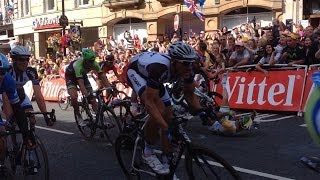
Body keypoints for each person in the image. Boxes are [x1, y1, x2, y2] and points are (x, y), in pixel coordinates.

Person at [126, 41, 238, 175]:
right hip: (136, 71)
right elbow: (149, 103)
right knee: (159, 113)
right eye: (185, 63)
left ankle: (166, 161)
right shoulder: (159, 67)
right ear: (174, 62)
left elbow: (190, 95)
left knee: (169, 113)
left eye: (190, 62)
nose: (189, 66)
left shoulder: (187, 70)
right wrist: (164, 126)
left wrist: (206, 113)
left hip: (154, 77)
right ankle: (148, 152)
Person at [0, 54, 35, 170]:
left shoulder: (8, 80)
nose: (0, 76)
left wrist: (26, 136)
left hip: (11, 94)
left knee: (2, 136)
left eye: (2, 72)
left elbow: (17, 108)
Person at [5, 46, 54, 127]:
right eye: (21, 59)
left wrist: (46, 116)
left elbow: (38, 95)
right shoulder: (7, 71)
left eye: (27, 59)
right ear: (14, 60)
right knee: (11, 123)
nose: (25, 62)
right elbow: (4, 94)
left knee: (32, 118)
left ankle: (31, 137)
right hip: (5, 96)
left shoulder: (30, 71)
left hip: (20, 94)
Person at [65, 48, 111, 126]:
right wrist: (87, 95)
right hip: (71, 77)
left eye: (92, 61)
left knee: (93, 99)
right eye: (89, 61)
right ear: (85, 60)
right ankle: (78, 115)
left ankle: (100, 119)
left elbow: (102, 76)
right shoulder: (78, 65)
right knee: (74, 96)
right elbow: (81, 84)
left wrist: (109, 87)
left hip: (82, 75)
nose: (91, 63)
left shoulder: (94, 63)